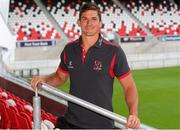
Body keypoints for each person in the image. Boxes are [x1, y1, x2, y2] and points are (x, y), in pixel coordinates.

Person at [31, 3, 140, 129]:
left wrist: (133, 113)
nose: (89, 23)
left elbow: (129, 87)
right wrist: (44, 79)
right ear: (79, 22)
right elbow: (59, 77)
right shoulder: (69, 49)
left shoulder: (114, 52)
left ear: (100, 23)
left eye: (94, 19)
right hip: (70, 122)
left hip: (101, 126)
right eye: (85, 19)